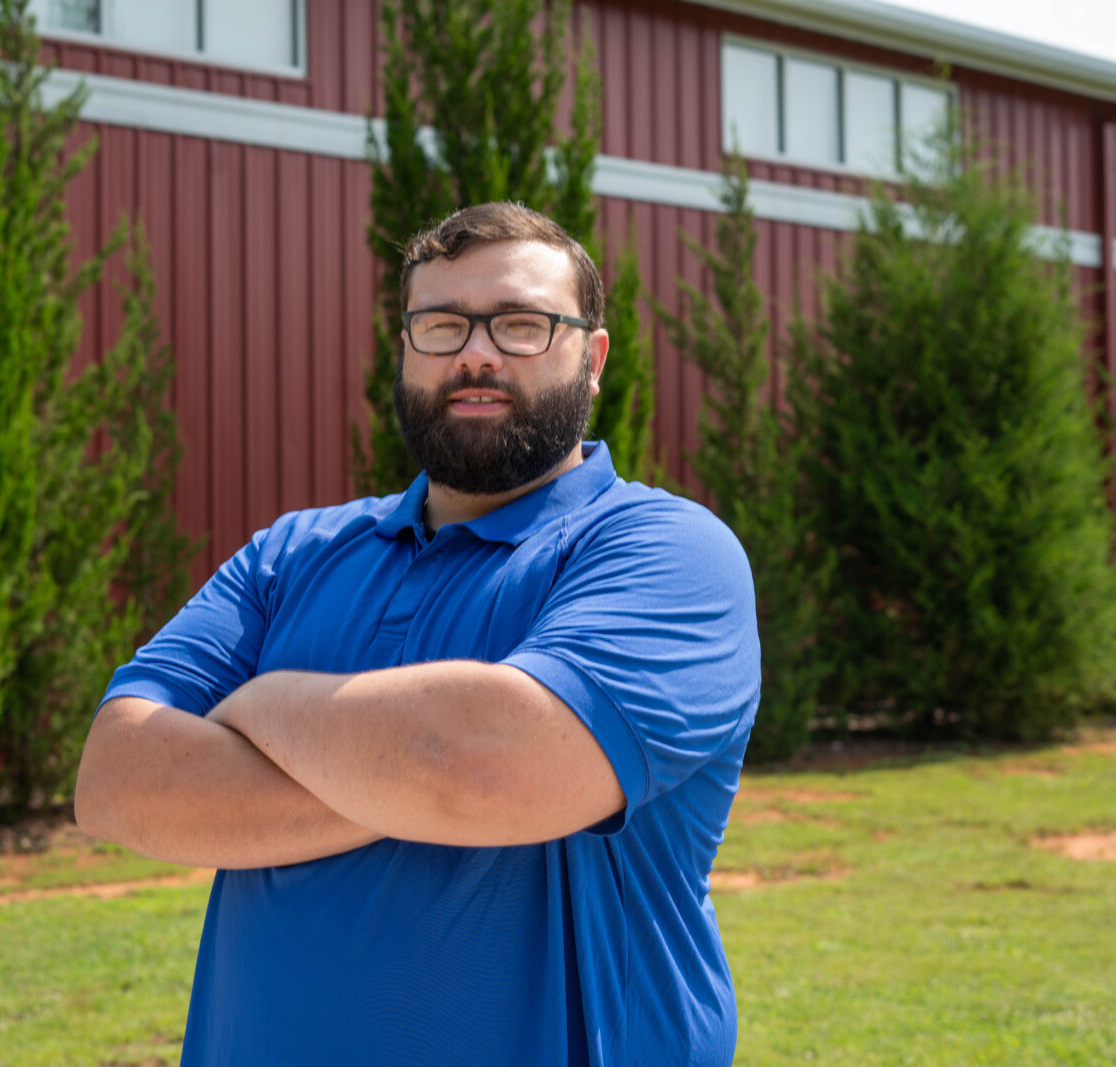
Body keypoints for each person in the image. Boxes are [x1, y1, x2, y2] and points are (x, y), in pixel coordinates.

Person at [75, 202, 761, 1066]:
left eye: (521, 324)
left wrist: (263, 705)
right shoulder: (291, 555)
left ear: (591, 360)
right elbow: (115, 779)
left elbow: (489, 767)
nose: (476, 352)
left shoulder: (666, 551)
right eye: (441, 325)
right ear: (405, 352)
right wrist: (398, 770)